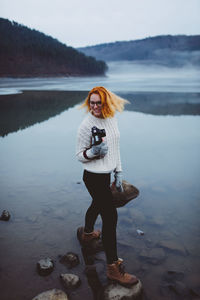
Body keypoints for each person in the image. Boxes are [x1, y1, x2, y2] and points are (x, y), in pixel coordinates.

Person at [76, 86, 138, 286]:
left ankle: (87, 235)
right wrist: (93, 152)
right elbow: (79, 156)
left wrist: (118, 172)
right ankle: (113, 268)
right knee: (110, 217)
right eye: (91, 102)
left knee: (97, 204)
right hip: (92, 177)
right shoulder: (86, 125)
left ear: (106, 103)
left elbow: (116, 148)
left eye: (98, 102)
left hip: (106, 177)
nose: (94, 106)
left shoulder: (112, 119)